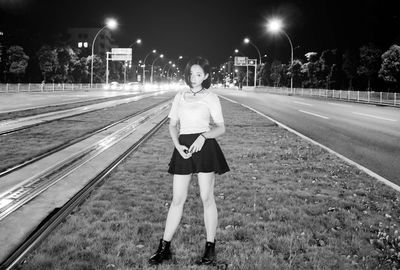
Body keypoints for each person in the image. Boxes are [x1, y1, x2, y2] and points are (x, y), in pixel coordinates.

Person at [148, 56, 230, 266]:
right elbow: (172, 125)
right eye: (191, 74)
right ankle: (164, 247)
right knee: (177, 199)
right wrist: (177, 146)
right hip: (183, 147)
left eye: (199, 74)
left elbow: (221, 127)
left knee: (206, 197)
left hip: (204, 147)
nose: (194, 78)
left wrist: (203, 137)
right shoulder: (180, 95)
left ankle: (210, 248)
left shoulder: (211, 97)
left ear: (206, 76)